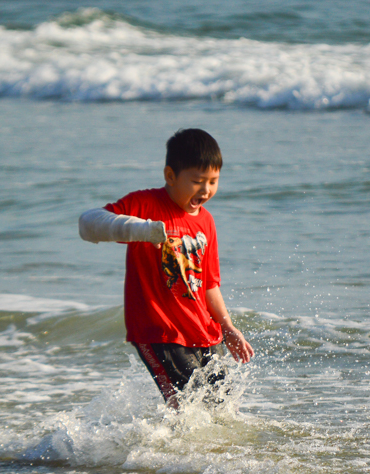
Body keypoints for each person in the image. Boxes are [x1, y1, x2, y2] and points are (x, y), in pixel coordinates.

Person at [79, 128, 253, 407]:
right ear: (170, 176)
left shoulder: (206, 221)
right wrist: (143, 230)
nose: (206, 190)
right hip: (160, 332)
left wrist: (228, 327)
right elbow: (89, 224)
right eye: (197, 181)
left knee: (221, 405)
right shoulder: (145, 205)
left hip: (203, 330)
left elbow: (209, 284)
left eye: (213, 181)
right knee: (186, 408)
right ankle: (164, 452)